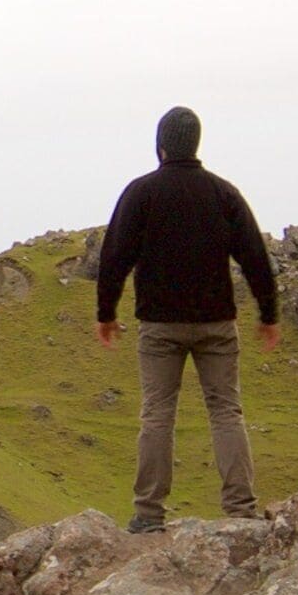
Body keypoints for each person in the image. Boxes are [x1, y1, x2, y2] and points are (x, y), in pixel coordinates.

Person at [92, 105, 279, 532]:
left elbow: (114, 257)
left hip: (159, 326)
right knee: (226, 411)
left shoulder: (141, 193)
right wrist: (268, 313)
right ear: (196, 144)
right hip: (216, 323)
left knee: (157, 413)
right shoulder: (223, 193)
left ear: (160, 146)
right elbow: (254, 255)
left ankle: (148, 514)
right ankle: (241, 509)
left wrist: (107, 313)